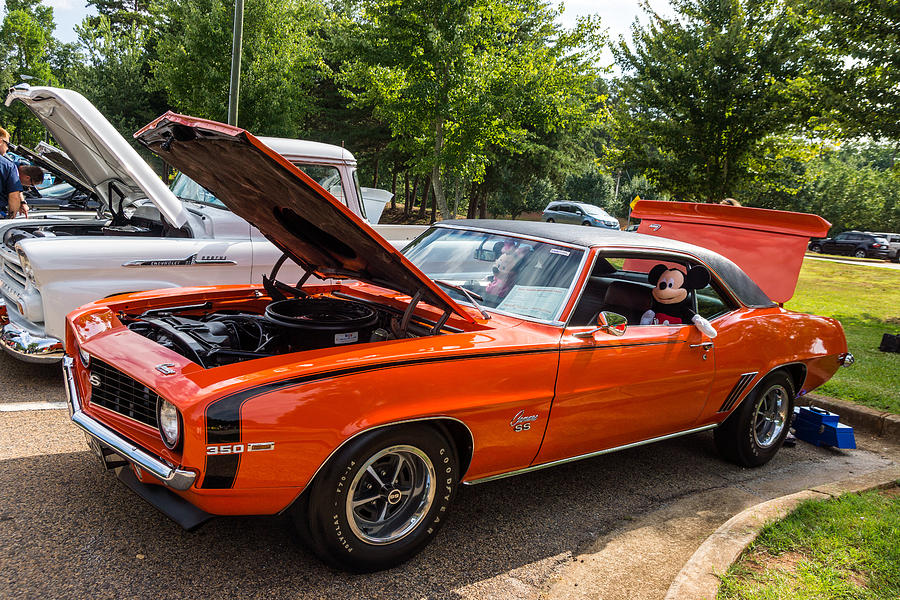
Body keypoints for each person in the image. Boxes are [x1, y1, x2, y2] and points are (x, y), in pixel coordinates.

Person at [0, 127, 28, 218]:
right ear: (0, 141)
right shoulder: (8, 166)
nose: (8, 148)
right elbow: (14, 196)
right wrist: (11, 218)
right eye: (7, 144)